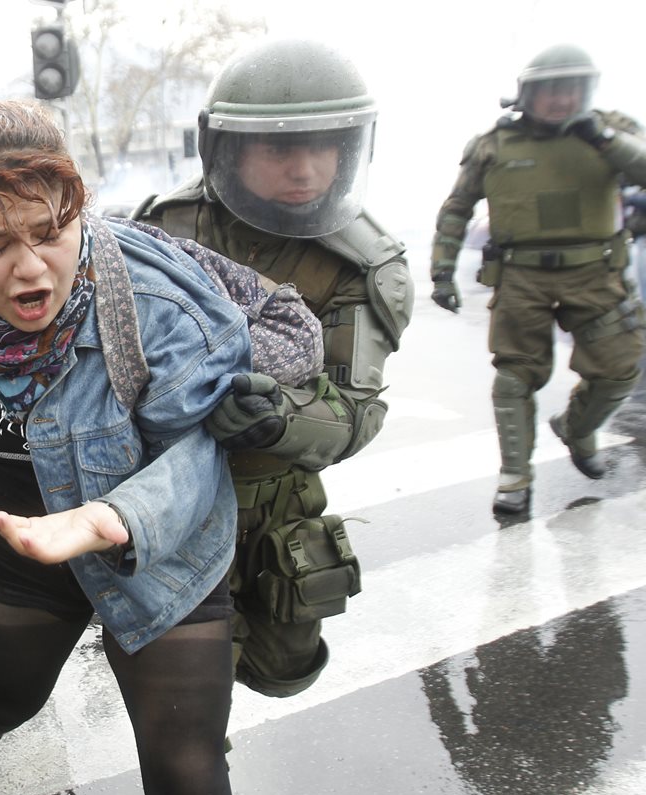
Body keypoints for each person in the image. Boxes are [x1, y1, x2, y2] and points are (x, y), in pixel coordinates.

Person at [0, 100, 323, 795]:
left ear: (76, 211)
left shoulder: (154, 296)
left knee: (188, 766)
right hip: (22, 553)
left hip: (167, 554)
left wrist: (105, 520)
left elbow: (199, 446)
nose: (30, 269)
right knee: (8, 697)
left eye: (50, 232)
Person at [134, 38, 410, 697]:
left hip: (282, 500)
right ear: (226, 149)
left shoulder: (359, 262)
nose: (307, 169)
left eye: (325, 147)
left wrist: (275, 418)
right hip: (178, 497)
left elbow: (354, 409)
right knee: (191, 700)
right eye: (281, 147)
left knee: (284, 668)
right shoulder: (165, 230)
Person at [429, 43, 646, 514]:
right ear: (527, 93)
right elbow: (457, 209)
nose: (561, 100)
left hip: (596, 273)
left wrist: (604, 141)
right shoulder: (494, 145)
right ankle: (515, 475)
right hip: (521, 276)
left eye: (572, 89)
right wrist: (442, 271)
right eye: (551, 89)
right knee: (514, 377)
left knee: (618, 369)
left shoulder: (612, 133)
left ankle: (579, 428)